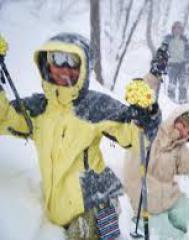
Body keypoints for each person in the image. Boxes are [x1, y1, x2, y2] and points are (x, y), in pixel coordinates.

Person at [0, 33, 162, 240]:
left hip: (94, 204)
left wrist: (148, 115)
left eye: (73, 60)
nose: (64, 67)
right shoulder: (37, 109)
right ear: (46, 63)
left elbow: (134, 136)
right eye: (57, 58)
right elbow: (5, 118)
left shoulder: (94, 106)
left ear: (83, 68)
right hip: (59, 210)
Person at [124, 108, 189, 240]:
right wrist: (142, 119)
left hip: (172, 199)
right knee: (174, 237)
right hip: (145, 205)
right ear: (176, 118)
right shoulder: (151, 131)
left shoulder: (179, 147)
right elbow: (130, 135)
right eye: (184, 125)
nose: (184, 132)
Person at [163, 21, 189, 104]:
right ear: (173, 29)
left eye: (179, 28)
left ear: (182, 30)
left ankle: (182, 100)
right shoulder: (168, 38)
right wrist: (163, 59)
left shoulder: (184, 40)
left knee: (183, 83)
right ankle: (170, 100)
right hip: (172, 64)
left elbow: (188, 52)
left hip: (182, 64)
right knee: (172, 83)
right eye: (176, 28)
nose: (177, 30)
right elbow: (163, 49)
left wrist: (188, 63)